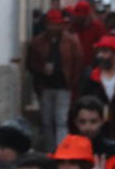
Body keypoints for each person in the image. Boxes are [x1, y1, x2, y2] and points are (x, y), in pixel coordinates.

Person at [28, 9, 84, 149]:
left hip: (63, 86)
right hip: (45, 86)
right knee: (47, 120)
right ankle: (50, 149)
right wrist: (42, 69)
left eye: (56, 24)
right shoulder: (38, 42)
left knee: (61, 120)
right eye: (51, 24)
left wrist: (72, 82)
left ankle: (61, 150)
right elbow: (31, 63)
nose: (53, 27)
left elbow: (78, 61)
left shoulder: (71, 41)